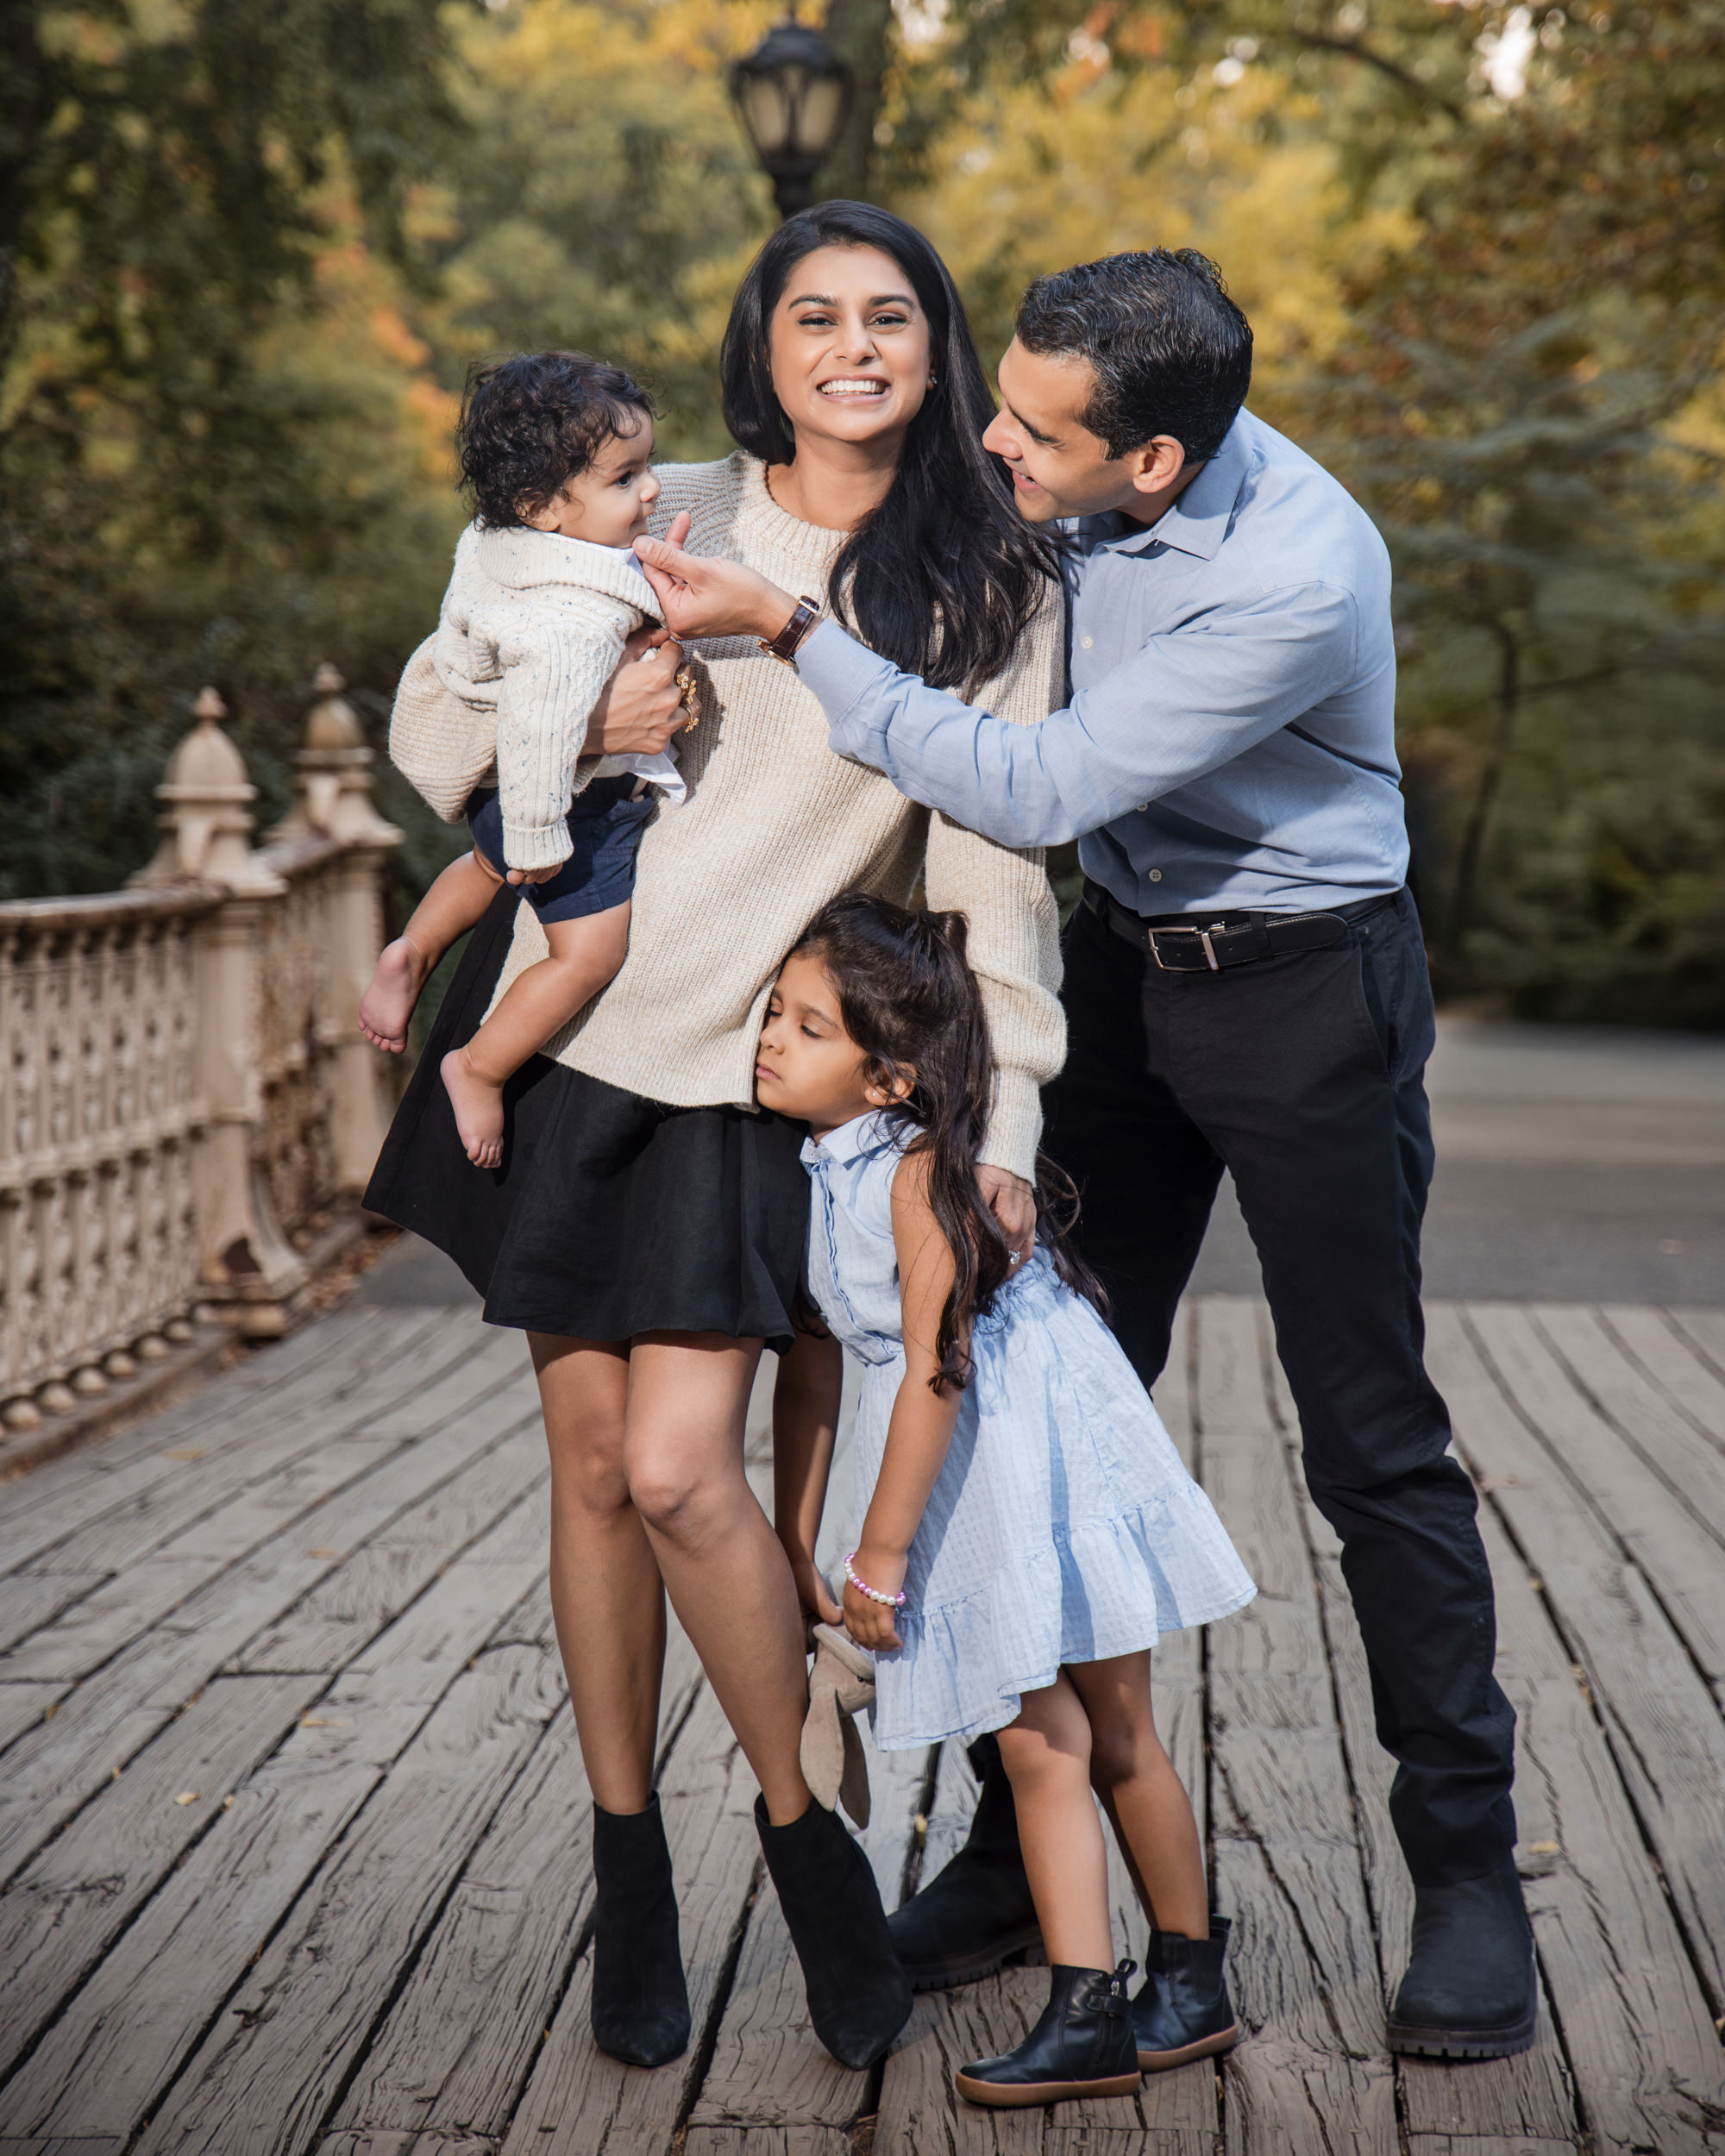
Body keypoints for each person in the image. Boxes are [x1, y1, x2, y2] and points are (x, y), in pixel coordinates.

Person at [634, 248, 1536, 2061]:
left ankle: (1465, 1866)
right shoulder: (1081, 460)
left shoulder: (1295, 571)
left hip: (1306, 993)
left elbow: (1034, 792)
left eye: (1035, 430)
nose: (993, 441)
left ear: (1154, 465)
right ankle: (999, 1844)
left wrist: (797, 637)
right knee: (1013, 1396)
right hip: (1119, 983)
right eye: (1008, 398)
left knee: (1370, 1431)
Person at [363, 200, 1067, 2075]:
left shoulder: (990, 581)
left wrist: (1014, 1109)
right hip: (560, 1024)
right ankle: (626, 1866)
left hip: (749, 1073)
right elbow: (441, 725)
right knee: (592, 1471)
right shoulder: (646, 500)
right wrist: (581, 692)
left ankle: (796, 1833)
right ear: (761, 340)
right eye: (814, 314)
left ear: (937, 351)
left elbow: (994, 871)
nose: (852, 346)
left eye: (891, 317)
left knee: (686, 1471)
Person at [762, 892, 1255, 2108]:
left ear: (886, 1079)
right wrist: (797, 1526)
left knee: (1073, 1734)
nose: (770, 1037)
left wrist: (880, 1558)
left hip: (1024, 1445)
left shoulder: (916, 1173)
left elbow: (937, 1365)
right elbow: (820, 1357)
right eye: (776, 1012)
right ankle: (1145, 1988)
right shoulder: (819, 1165)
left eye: (806, 1026)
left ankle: (1138, 1994)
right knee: (1064, 1735)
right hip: (975, 1447)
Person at [360, 351, 693, 1169]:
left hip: (504, 793)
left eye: (646, 466)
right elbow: (544, 729)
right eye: (625, 480)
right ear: (543, 507)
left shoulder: (495, 543)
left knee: (484, 859)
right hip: (568, 805)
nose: (651, 490)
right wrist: (545, 840)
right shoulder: (570, 623)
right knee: (587, 956)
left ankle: (411, 950)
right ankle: (478, 1066)